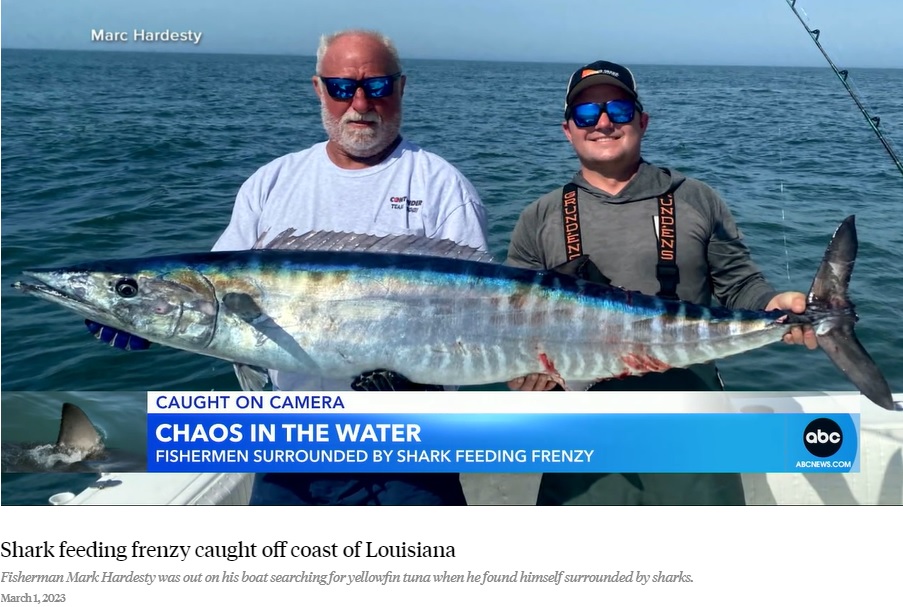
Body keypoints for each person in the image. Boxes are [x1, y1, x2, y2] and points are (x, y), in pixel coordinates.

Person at [89, 29, 489, 506]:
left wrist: (419, 382)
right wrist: (138, 313)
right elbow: (213, 300)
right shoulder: (271, 183)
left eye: (377, 86)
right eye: (342, 87)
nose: (359, 102)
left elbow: (478, 314)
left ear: (401, 89)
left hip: (409, 439)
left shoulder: (443, 185)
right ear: (319, 89)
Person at [505, 60, 816, 506]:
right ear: (568, 130)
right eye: (587, 115)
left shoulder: (696, 198)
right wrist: (521, 369)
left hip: (689, 413)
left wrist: (775, 302)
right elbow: (514, 317)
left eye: (619, 109)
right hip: (581, 426)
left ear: (643, 121)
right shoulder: (540, 216)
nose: (604, 123)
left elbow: (739, 284)